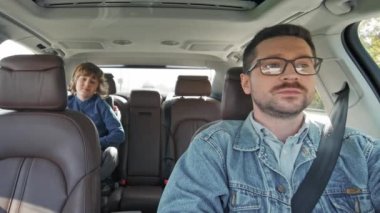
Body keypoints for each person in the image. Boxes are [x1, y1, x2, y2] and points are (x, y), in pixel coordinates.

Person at [158, 24, 380, 212]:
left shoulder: (364, 151)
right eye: (272, 65)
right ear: (246, 83)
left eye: (303, 65)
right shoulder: (214, 147)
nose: (291, 74)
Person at [68, 62, 125, 183]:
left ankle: (94, 183)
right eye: (83, 79)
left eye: (92, 82)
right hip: (70, 151)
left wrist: (96, 143)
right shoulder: (65, 103)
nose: (87, 84)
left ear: (97, 87)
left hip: (97, 152)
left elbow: (119, 134)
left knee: (112, 153)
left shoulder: (101, 105)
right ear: (75, 81)